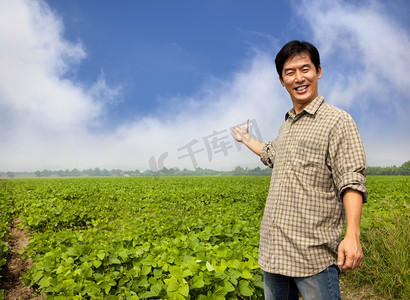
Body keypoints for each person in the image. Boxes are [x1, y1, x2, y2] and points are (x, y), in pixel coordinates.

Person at [231, 40, 367, 300]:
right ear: (282, 80)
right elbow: (271, 153)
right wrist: (246, 139)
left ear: (318, 71)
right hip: (274, 252)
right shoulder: (287, 125)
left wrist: (352, 235)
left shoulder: (338, 121)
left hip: (311, 254)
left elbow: (351, 180)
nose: (299, 78)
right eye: (289, 72)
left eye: (305, 69)